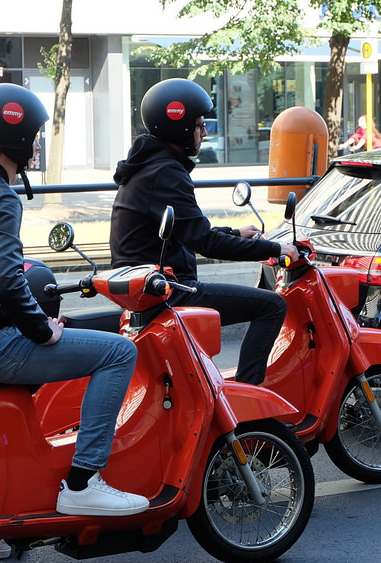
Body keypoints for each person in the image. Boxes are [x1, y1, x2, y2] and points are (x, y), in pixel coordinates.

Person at [0, 84, 148, 535]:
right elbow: (6, 279)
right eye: (34, 135)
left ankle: (10, 534)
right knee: (117, 353)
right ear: (15, 137)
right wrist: (42, 330)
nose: (36, 144)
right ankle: (83, 481)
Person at [109, 78, 299, 386]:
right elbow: (205, 242)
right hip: (167, 289)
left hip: (149, 285)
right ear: (180, 129)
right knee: (272, 305)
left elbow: (187, 231)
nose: (204, 133)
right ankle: (250, 396)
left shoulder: (150, 166)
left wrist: (236, 232)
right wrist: (274, 250)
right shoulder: (167, 173)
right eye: (199, 125)